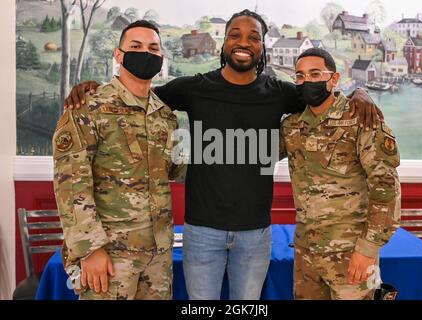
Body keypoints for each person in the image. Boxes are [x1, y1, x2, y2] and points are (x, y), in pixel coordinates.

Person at [63, 10, 381, 300]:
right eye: (235, 34)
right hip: (202, 231)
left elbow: (322, 96)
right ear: (224, 42)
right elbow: (136, 95)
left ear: (262, 47)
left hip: (255, 234)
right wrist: (92, 88)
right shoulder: (193, 88)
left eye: (253, 37)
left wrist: (359, 94)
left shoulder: (280, 93)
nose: (244, 42)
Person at [53, 20, 184, 300]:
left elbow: (175, 168)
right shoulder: (88, 107)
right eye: (135, 46)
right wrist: (90, 249)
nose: (145, 53)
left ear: (161, 58)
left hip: (158, 254)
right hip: (110, 256)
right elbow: (71, 184)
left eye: (153, 48)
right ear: (118, 54)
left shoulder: (164, 116)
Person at [280, 48, 401, 300]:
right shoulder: (292, 125)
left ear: (333, 79)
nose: (307, 81)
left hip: (352, 254)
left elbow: (386, 187)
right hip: (307, 254)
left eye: (315, 74)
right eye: (300, 76)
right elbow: (253, 154)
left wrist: (368, 249)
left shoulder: (361, 118)